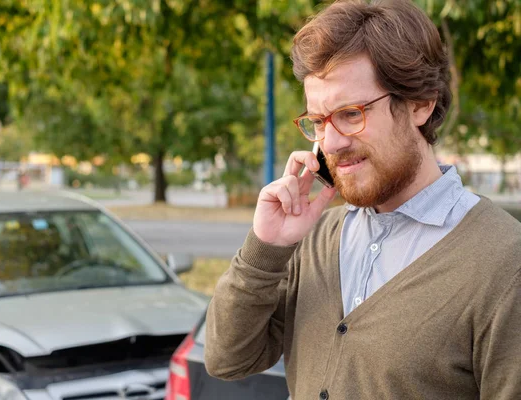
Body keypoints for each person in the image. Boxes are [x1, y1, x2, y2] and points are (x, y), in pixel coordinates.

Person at [204, 1, 521, 399]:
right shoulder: (316, 238)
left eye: (351, 114)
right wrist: (265, 249)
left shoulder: (505, 261)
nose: (330, 143)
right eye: (318, 122)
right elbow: (228, 359)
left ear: (421, 103)